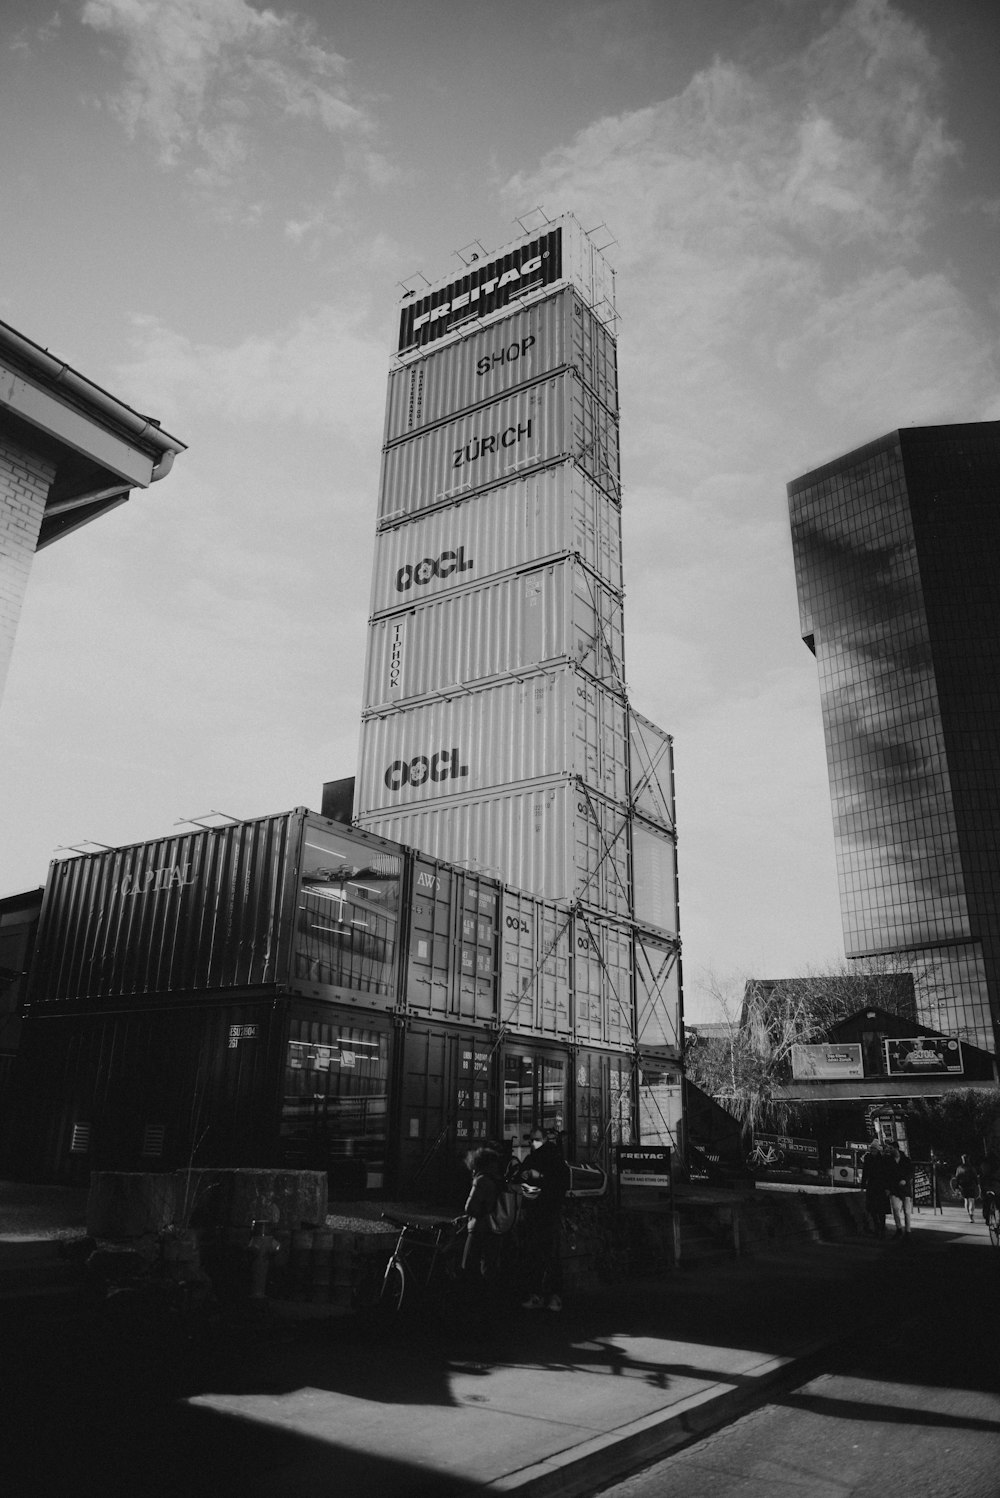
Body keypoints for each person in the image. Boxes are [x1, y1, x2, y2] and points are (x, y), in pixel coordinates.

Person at [512, 1125, 570, 1312]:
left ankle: (550, 1295)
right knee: (539, 1254)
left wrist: (538, 1176)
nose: (532, 1142)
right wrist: (523, 1176)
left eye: (536, 1139)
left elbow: (559, 1183)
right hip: (539, 1211)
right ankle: (545, 1295)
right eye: (531, 1139)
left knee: (546, 1254)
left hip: (545, 1211)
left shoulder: (550, 1159)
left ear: (544, 1139)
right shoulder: (540, 1158)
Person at [860, 1140, 889, 1238]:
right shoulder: (868, 1158)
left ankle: (882, 1227)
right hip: (872, 1185)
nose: (872, 1150)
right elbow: (865, 1171)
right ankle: (877, 1227)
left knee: (881, 1209)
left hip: (881, 1186)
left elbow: (886, 1174)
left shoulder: (883, 1159)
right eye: (871, 1149)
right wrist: (863, 1184)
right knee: (872, 1208)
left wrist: (887, 1187)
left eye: (874, 1149)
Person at [886, 1142, 914, 1238]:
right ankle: (899, 1228)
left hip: (905, 1189)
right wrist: (888, 1188)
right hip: (894, 1189)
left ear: (896, 1149)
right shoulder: (889, 1161)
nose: (889, 1150)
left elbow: (911, 1172)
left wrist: (905, 1180)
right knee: (895, 1209)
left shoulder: (906, 1160)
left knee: (907, 1211)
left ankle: (908, 1230)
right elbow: (887, 1175)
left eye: (891, 1148)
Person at [950, 1154, 979, 1223]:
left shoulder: (959, 1168)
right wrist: (977, 1185)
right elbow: (975, 1177)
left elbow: (957, 1178)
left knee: (966, 1200)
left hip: (963, 1186)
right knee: (972, 1200)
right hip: (971, 1185)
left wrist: (957, 1187)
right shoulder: (971, 1168)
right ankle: (971, 1215)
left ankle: (969, 1214)